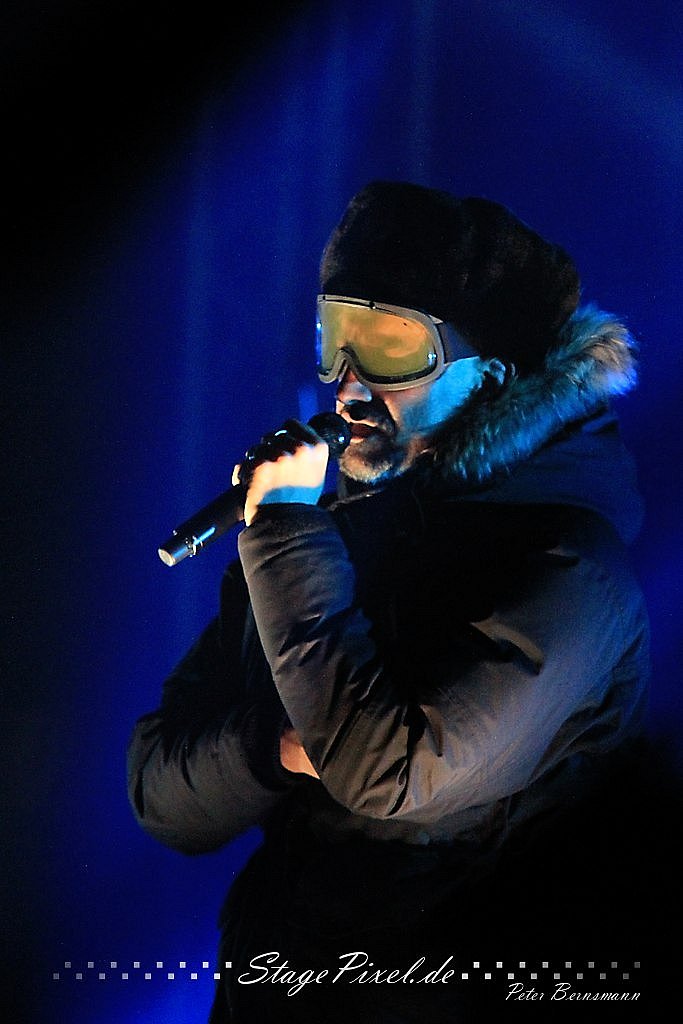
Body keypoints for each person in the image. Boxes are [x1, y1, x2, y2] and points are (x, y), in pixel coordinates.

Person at [127, 181, 668, 1021]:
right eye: (334, 337)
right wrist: (279, 747)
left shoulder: (571, 571)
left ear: (490, 376)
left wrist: (282, 531)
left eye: (388, 347)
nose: (345, 385)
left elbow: (387, 773)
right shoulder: (323, 540)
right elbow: (161, 797)